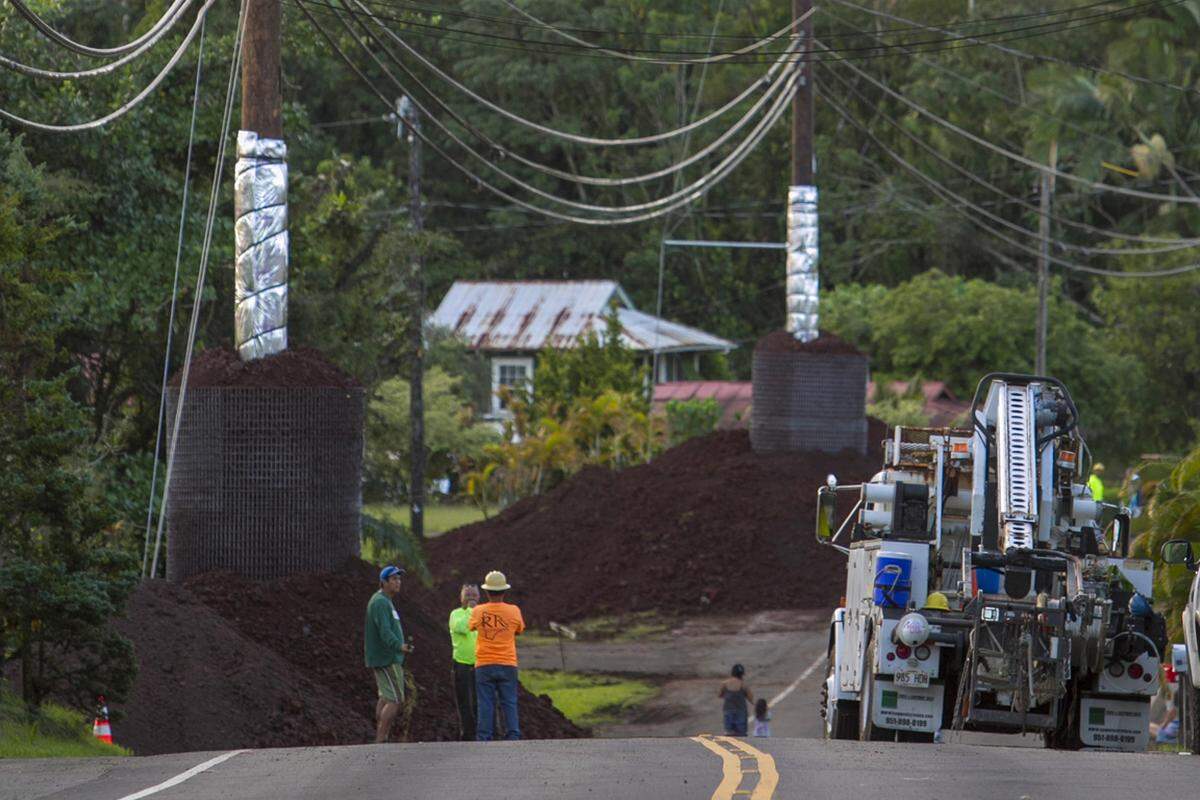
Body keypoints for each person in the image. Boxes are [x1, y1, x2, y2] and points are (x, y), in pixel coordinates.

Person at [469, 570, 525, 741]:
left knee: (485, 703)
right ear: (504, 591)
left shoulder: (478, 611)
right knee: (509, 701)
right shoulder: (514, 610)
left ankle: (484, 737)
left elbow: (471, 627)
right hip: (508, 663)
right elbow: (519, 630)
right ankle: (513, 736)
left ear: (486, 592)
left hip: (484, 664)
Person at [364, 565, 413, 743]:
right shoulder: (380, 602)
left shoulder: (385, 601)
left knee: (385, 697)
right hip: (387, 658)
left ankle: (381, 735)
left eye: (399, 579)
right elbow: (385, 631)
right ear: (384, 582)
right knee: (395, 699)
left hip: (387, 656)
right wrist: (399, 646)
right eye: (394, 579)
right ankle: (380, 740)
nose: (398, 582)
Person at [449, 583, 480, 741]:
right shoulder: (456, 614)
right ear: (461, 598)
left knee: (479, 701)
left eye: (474, 595)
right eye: (468, 595)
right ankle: (467, 735)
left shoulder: (483, 614)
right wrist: (471, 612)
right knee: (464, 701)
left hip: (480, 665)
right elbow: (462, 628)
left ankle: (483, 734)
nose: (471, 598)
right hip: (461, 664)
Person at [718, 664, 754, 736]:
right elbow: (750, 698)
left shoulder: (725, 684)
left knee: (729, 734)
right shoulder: (743, 685)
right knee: (741, 734)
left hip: (728, 710)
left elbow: (720, 695)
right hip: (741, 711)